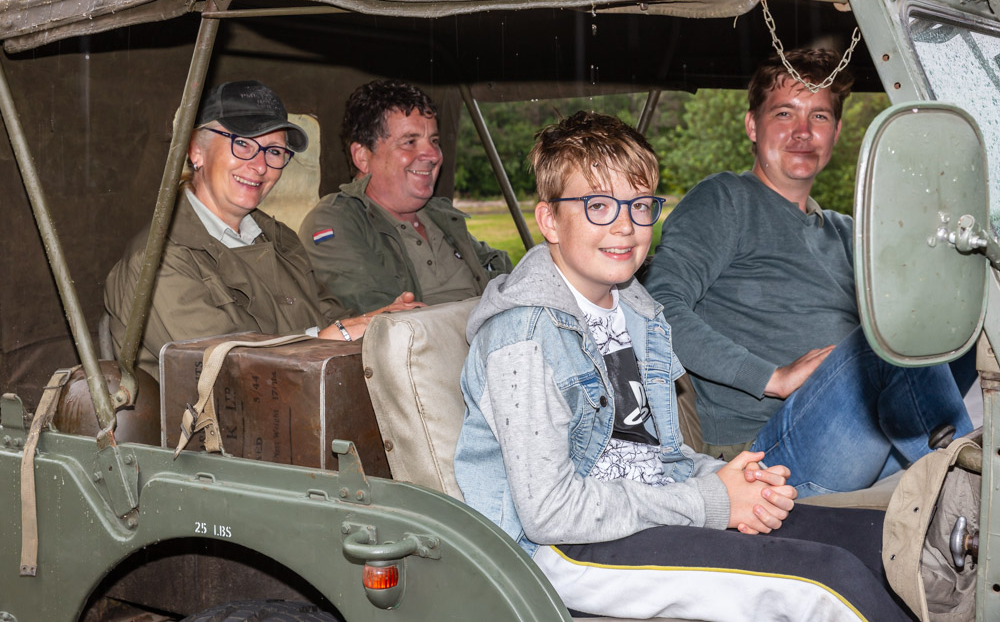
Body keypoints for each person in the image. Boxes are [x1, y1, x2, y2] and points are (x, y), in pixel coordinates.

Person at [454, 111, 911, 621]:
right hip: (556, 552)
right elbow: (549, 512)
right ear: (549, 221)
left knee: (879, 542)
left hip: (646, 515)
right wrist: (711, 501)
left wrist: (735, 479)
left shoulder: (635, 310)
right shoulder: (524, 337)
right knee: (827, 579)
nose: (625, 226)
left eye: (640, 205)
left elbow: (654, 458)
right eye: (599, 206)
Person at [644, 48, 972, 496]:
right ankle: (970, 489)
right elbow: (658, 307)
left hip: (859, 434)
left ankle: (962, 465)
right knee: (884, 343)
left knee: (962, 321)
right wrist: (772, 377)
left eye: (818, 116)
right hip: (761, 454)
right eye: (784, 113)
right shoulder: (725, 200)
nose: (802, 131)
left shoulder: (847, 232)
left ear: (835, 132)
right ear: (752, 126)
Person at [104, 80, 420, 382]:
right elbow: (230, 371)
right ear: (196, 150)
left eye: (274, 151)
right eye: (242, 144)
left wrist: (377, 322)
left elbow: (330, 316)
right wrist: (327, 339)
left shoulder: (280, 239)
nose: (260, 166)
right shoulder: (157, 261)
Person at [298, 80, 512, 314]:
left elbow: (505, 276)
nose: (433, 155)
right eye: (410, 142)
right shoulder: (337, 220)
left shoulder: (440, 216)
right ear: (362, 157)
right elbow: (380, 321)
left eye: (434, 141)